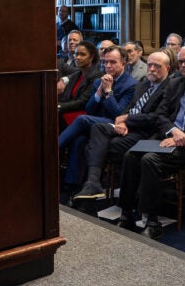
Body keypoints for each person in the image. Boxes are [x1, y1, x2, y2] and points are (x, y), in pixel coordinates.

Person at [117, 44, 185, 239]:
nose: (183, 65)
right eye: (181, 62)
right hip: (169, 137)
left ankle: (152, 221)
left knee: (149, 160)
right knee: (131, 155)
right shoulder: (175, 84)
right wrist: (173, 131)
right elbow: (160, 114)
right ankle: (126, 212)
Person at [72, 50, 173, 201]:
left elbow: (156, 117)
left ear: (167, 68)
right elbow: (128, 108)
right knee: (97, 128)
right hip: (128, 127)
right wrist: (124, 121)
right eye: (150, 64)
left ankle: (113, 189)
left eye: (157, 66)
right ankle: (93, 183)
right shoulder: (143, 84)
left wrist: (128, 119)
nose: (151, 69)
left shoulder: (170, 88)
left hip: (145, 132)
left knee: (94, 144)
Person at [58, 45, 136, 198]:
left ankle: (53, 149)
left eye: (113, 62)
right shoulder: (99, 81)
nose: (108, 66)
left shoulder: (130, 85)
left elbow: (119, 114)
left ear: (123, 64)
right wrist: (99, 93)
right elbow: (90, 109)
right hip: (97, 123)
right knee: (79, 140)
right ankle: (72, 185)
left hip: (115, 125)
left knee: (81, 119)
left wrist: (108, 92)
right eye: (105, 62)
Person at [58, 41, 101, 129]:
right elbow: (66, 97)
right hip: (71, 109)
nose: (77, 57)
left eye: (82, 55)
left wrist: (59, 106)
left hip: (84, 113)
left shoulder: (97, 77)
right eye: (76, 54)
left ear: (91, 57)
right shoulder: (77, 74)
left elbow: (82, 102)